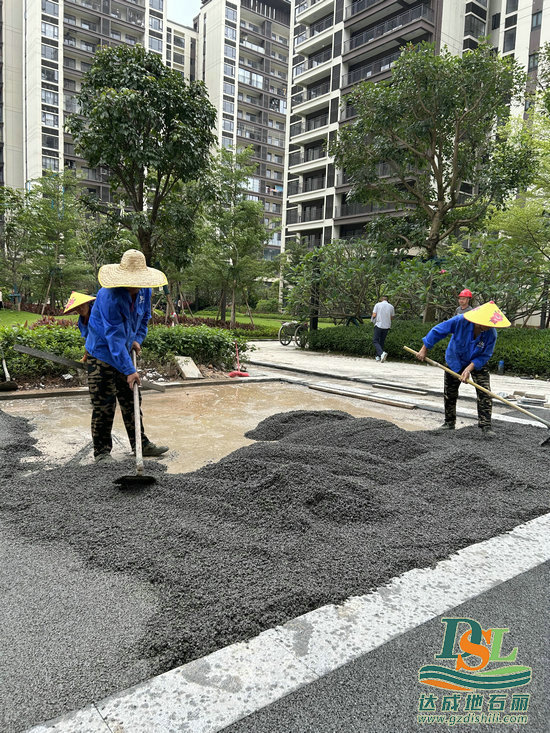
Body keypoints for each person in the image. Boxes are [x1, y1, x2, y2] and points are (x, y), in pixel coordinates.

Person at [85, 249, 169, 463]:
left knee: (132, 400)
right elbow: (113, 336)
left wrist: (137, 340)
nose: (136, 284)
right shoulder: (109, 296)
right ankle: (102, 452)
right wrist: (130, 370)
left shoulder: (144, 292)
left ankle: (141, 444)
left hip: (124, 349)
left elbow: (144, 318)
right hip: (102, 353)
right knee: (104, 404)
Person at [415, 301, 511, 436]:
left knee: (485, 392)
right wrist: (424, 349)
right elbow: (438, 330)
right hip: (456, 358)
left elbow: (485, 354)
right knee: (450, 391)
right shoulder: (460, 321)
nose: (490, 326)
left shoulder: (491, 334)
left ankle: (486, 426)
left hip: (477, 362)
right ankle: (449, 422)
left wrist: (470, 368)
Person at [372, 295, 395, 363]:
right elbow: (392, 317)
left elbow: (374, 315)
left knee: (375, 341)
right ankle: (378, 356)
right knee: (382, 341)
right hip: (387, 326)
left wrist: (373, 320)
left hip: (379, 324)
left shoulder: (377, 305)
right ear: (387, 300)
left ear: (381, 299)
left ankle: (382, 353)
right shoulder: (391, 307)